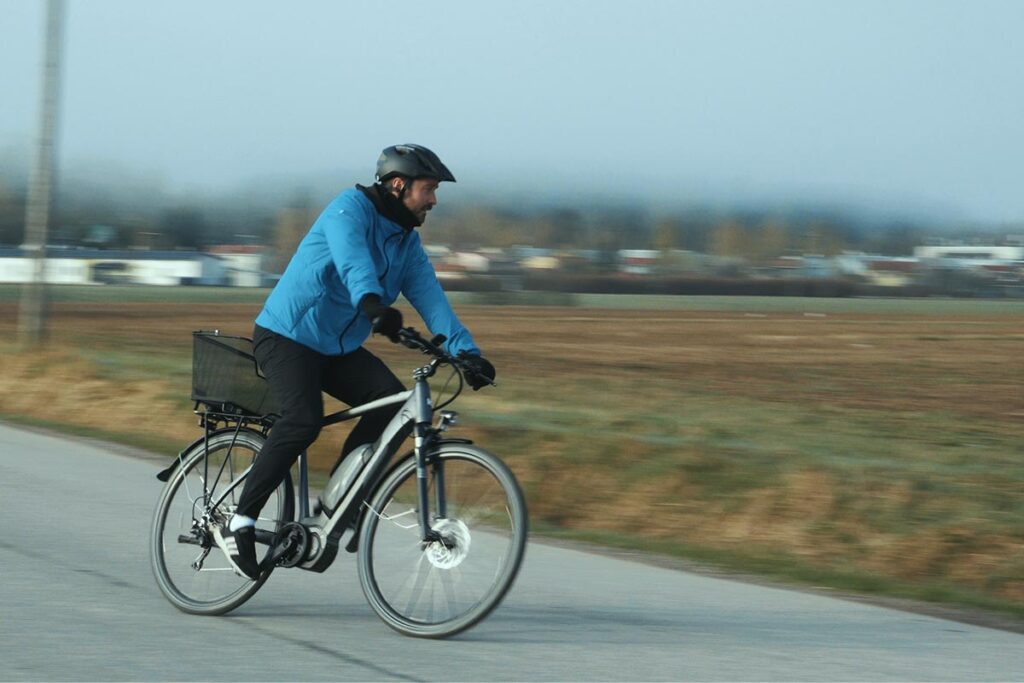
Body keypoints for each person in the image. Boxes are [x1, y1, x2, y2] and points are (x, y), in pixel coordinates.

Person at [214, 144, 495, 579]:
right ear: (398, 185)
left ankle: (336, 504)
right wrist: (371, 303)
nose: (434, 200)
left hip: (336, 348)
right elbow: (353, 263)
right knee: (303, 420)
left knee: (389, 403)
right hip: (287, 336)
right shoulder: (349, 209)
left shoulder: (407, 243)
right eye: (429, 189)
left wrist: (467, 353)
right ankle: (240, 522)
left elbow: (433, 302)